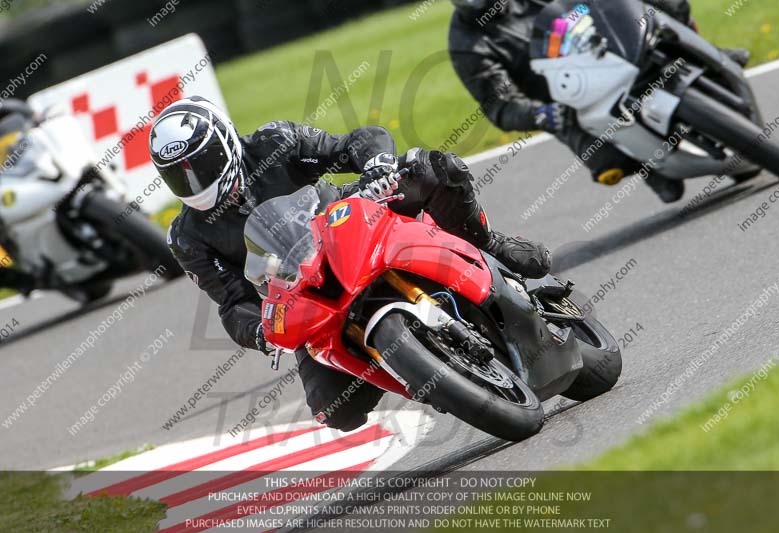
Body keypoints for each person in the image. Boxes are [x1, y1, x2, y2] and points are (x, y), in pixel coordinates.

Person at [149, 96, 551, 431]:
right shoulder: (186, 236)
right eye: (178, 177)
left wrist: (376, 165)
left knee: (433, 167)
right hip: (304, 291)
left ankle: (486, 244)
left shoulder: (275, 141)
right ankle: (421, 369)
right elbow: (231, 301)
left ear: (224, 142)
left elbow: (355, 142)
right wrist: (260, 332)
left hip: (352, 226)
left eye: (199, 166)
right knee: (335, 410)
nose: (193, 182)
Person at [448, 0, 751, 203]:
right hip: (573, 102)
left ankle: (708, 52)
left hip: (614, 46)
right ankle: (649, 164)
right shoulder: (467, 44)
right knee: (609, 164)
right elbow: (500, 105)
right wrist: (542, 114)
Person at [0, 99, 38, 294]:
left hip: (23, 167)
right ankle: (21, 279)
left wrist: (34, 117)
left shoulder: (8, 116)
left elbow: (13, 108)